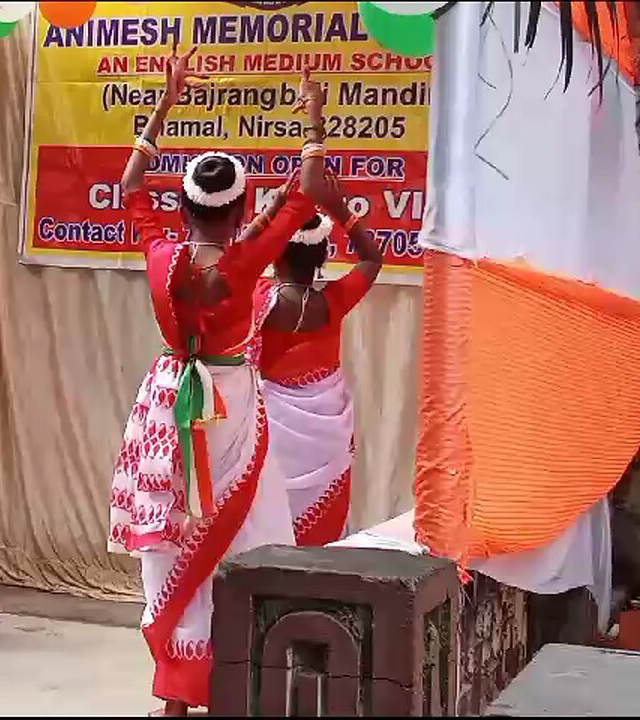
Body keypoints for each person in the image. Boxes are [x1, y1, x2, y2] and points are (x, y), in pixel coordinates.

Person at [106, 48, 332, 716]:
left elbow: (129, 185)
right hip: (229, 401)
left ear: (184, 208)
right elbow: (308, 190)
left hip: (170, 397)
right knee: (245, 529)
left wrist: (165, 102)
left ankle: (177, 696)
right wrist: (314, 119)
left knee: (176, 534)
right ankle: (238, 676)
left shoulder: (160, 253)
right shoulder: (246, 257)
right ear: (239, 212)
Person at [249, 173, 383, 546]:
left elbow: (232, 262)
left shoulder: (258, 298)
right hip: (328, 433)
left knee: (267, 520)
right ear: (323, 254)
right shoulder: (335, 300)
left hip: (272, 428)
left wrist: (270, 214)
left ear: (276, 252)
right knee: (321, 531)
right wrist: (341, 208)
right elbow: (373, 258)